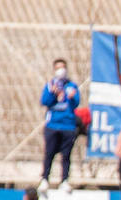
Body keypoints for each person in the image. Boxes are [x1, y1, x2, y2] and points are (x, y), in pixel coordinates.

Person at [39, 58, 79, 191]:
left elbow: (76, 104)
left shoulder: (72, 86)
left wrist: (72, 97)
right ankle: (45, 179)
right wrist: (53, 93)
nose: (61, 70)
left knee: (66, 155)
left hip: (68, 125)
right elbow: (45, 101)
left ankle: (65, 180)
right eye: (58, 68)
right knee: (49, 153)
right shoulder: (50, 85)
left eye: (63, 67)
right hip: (53, 125)